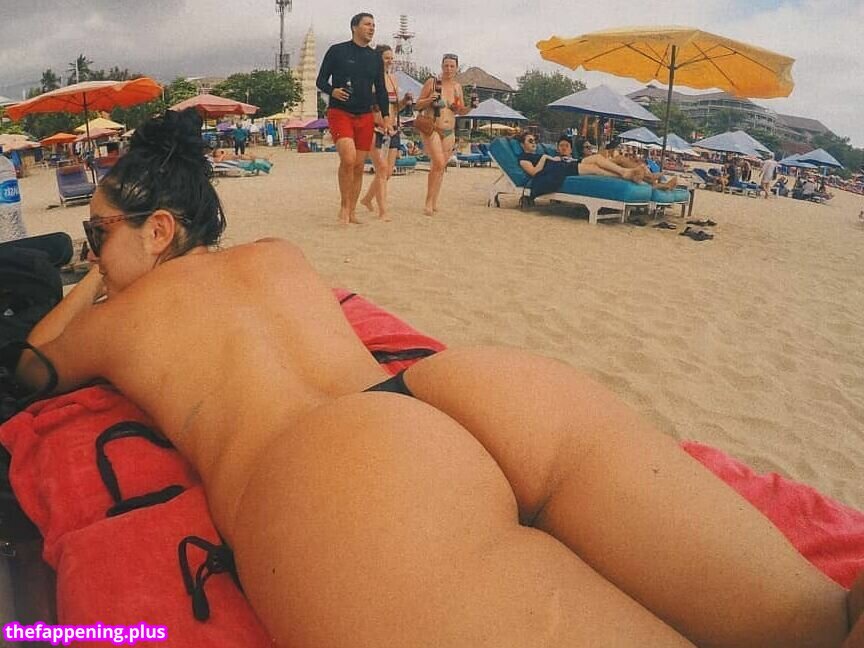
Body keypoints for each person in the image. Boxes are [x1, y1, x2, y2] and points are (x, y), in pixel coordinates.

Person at [15, 109, 863, 648]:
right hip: (470, 388)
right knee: (817, 619)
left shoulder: (124, 313)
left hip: (338, 468)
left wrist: (93, 283)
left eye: (97, 233)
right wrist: (112, 252)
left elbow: (31, 364)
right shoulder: (277, 255)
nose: (92, 251)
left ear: (159, 229)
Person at [316, 13, 389, 225]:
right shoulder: (337, 51)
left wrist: (385, 117)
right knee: (348, 159)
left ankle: (352, 210)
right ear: (354, 27)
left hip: (365, 114)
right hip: (340, 112)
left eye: (374, 25)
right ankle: (344, 206)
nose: (372, 28)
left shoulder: (375, 58)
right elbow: (320, 80)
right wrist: (332, 91)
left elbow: (381, 90)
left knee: (358, 165)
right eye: (367, 24)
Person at [359, 45, 412, 222]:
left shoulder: (392, 78)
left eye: (391, 58)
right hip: (376, 128)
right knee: (381, 169)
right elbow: (371, 105)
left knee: (388, 172)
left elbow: (394, 108)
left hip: (393, 128)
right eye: (387, 58)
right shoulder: (371, 78)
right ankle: (383, 210)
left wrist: (404, 101)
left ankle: (367, 199)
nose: (390, 61)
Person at [414, 53, 470, 215]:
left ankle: (434, 201)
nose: (449, 69)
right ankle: (428, 202)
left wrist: (471, 107)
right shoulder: (432, 83)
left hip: (449, 130)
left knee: (440, 167)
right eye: (446, 65)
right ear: (441, 66)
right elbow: (417, 105)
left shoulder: (457, 87)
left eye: (452, 66)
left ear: (457, 68)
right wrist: (430, 100)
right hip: (433, 128)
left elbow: (461, 111)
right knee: (438, 163)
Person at [518, 133, 643, 199]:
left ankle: (624, 172)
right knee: (594, 168)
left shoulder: (538, 153)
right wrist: (545, 157)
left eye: (534, 140)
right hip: (557, 170)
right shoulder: (524, 158)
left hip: (562, 165)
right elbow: (534, 173)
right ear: (522, 144)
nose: (534, 143)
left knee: (597, 159)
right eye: (530, 141)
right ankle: (625, 174)